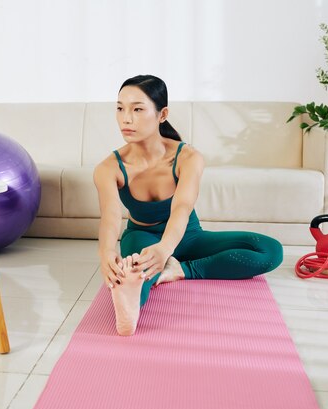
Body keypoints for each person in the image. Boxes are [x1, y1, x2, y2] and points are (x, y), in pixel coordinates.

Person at [93, 75, 284, 336]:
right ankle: (130, 303)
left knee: (270, 251)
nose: (126, 118)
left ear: (162, 115)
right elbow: (111, 216)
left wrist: (165, 250)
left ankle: (181, 269)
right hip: (141, 237)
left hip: (188, 237)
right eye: (120, 108)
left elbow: (182, 208)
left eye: (137, 109)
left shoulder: (188, 157)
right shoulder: (108, 168)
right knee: (137, 275)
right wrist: (106, 252)